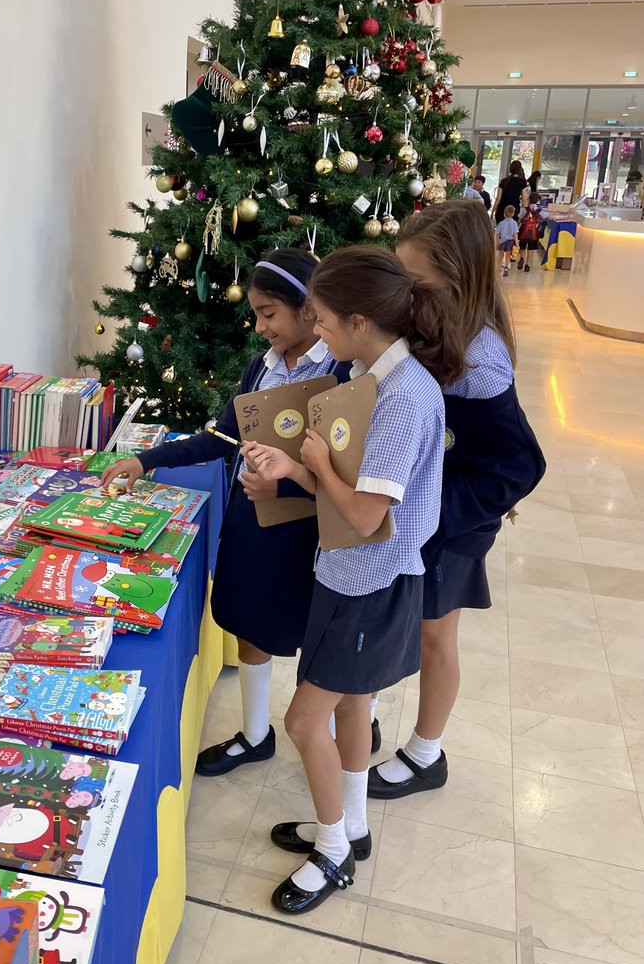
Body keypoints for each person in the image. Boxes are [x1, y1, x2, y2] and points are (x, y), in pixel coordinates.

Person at [243, 246, 465, 915]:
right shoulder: (372, 378)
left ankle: (334, 854)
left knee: (302, 720)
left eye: (326, 321)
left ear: (361, 321)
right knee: (350, 707)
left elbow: (368, 514)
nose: (323, 336)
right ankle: (352, 827)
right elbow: (350, 493)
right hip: (345, 573)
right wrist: (296, 471)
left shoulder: (401, 397)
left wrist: (316, 461)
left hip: (371, 582)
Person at [100, 250, 354, 777]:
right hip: (253, 524)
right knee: (246, 620)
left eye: (269, 314)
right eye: (257, 313)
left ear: (309, 310)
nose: (259, 326)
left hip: (310, 534)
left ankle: (329, 734)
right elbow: (221, 436)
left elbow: (349, 476)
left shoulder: (342, 372)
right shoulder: (259, 367)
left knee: (317, 637)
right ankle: (255, 734)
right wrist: (147, 460)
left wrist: (291, 481)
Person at [368, 201, 545, 802]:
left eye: (415, 282)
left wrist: (439, 511)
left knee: (435, 635)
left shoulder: (482, 359)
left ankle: (425, 753)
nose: (403, 293)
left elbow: (520, 464)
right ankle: (359, 707)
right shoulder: (426, 324)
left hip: (453, 520)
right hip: (416, 509)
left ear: (457, 278)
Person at [493, 161, 529, 225]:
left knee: (500, 232)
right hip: (514, 211)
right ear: (520, 169)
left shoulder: (504, 181)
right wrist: (528, 211)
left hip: (501, 211)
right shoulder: (522, 182)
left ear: (510, 169)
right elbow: (524, 199)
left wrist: (493, 211)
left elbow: (498, 199)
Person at [518, 191, 546, 271]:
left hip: (524, 231)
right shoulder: (539, 211)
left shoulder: (525, 209)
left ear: (529, 200)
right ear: (538, 201)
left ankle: (522, 258)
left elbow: (519, 219)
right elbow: (549, 217)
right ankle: (528, 265)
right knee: (531, 249)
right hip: (534, 233)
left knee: (522, 247)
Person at [496, 205, 520, 276]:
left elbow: (497, 234)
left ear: (504, 214)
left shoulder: (501, 223)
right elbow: (515, 234)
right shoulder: (514, 223)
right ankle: (506, 267)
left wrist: (496, 243)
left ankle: (499, 267)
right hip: (510, 241)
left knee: (501, 254)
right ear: (513, 214)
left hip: (502, 241)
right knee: (508, 255)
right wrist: (516, 243)